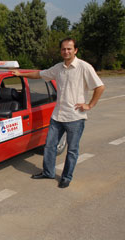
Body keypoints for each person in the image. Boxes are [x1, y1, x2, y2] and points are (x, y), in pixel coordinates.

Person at [12, 37, 105, 188]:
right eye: (63, 49)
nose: (66, 51)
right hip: (57, 115)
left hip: (75, 117)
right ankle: (48, 172)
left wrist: (90, 105)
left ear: (75, 50)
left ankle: (66, 177)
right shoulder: (58, 68)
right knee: (49, 145)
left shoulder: (84, 67)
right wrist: (20, 74)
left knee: (72, 150)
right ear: (60, 51)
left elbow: (100, 87)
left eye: (69, 49)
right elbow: (39, 74)